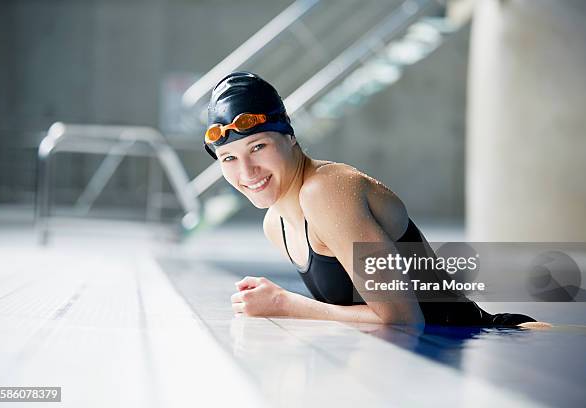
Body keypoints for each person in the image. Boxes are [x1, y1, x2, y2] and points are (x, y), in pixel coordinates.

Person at [204, 71, 549, 328]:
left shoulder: (323, 191)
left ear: (289, 136)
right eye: (229, 158)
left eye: (258, 147)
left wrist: (282, 302)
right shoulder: (275, 225)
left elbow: (401, 319)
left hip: (488, 340)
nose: (247, 171)